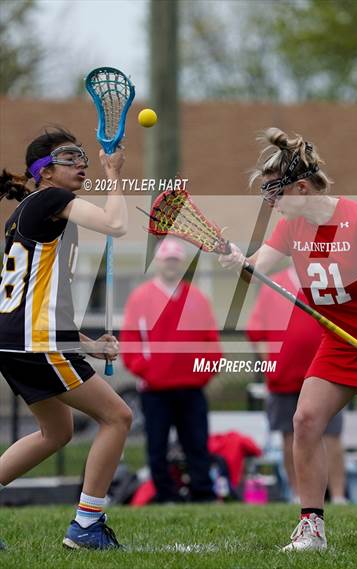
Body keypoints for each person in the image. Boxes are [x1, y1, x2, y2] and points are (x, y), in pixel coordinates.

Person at [220, 128, 357, 551]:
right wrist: (237, 260)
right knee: (305, 420)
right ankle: (312, 529)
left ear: (302, 188)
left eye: (275, 192)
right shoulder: (291, 227)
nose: (270, 203)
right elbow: (256, 270)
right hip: (341, 341)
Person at [0, 127, 132, 550]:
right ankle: (87, 525)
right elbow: (116, 224)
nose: (81, 164)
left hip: (17, 339)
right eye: (69, 157)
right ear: (44, 171)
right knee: (118, 417)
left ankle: (87, 524)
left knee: (56, 432)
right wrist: (114, 174)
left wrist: (87, 345)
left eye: (82, 157)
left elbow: (41, 299)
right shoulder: (51, 200)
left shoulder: (33, 212)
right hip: (33, 341)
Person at [120, 237, 222, 503]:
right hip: (155, 390)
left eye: (176, 260)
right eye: (167, 260)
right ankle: (165, 495)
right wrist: (147, 370)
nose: (171, 265)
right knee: (157, 445)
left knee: (197, 443)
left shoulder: (197, 298)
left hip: (191, 387)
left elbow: (211, 341)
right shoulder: (140, 297)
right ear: (158, 262)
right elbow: (130, 342)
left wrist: (203, 372)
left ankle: (203, 494)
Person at [246, 265, 347, 504]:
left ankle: (339, 495)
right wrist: (270, 365)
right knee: (290, 436)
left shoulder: (328, 281)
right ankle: (297, 493)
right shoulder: (273, 285)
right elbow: (256, 332)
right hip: (284, 377)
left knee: (331, 435)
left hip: (326, 374)